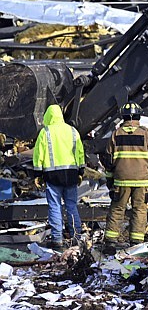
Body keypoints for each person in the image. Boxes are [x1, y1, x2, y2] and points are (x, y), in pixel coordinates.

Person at [102, 102, 148, 247]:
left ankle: (110, 242)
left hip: (121, 181)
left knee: (117, 209)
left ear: (123, 117)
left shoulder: (116, 135)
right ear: (138, 116)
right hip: (143, 181)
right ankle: (136, 243)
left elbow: (108, 160)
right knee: (140, 210)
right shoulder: (145, 134)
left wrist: (110, 180)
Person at [32, 104, 85, 251]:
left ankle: (57, 240)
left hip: (52, 175)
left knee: (55, 207)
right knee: (71, 205)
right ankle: (76, 237)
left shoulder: (45, 132)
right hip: (71, 174)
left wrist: (37, 174)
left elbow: (38, 155)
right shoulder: (73, 131)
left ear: (48, 116)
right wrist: (81, 171)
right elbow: (80, 153)